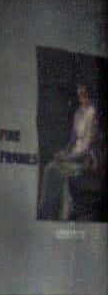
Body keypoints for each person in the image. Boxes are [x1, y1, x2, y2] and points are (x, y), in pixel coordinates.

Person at [38, 80, 105, 221]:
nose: (81, 96)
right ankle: (48, 211)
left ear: (89, 94)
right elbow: (73, 139)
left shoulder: (92, 113)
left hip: (87, 159)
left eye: (84, 93)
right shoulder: (78, 113)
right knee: (50, 167)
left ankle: (61, 212)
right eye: (79, 93)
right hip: (74, 155)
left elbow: (89, 145)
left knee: (55, 170)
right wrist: (64, 152)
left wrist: (69, 158)